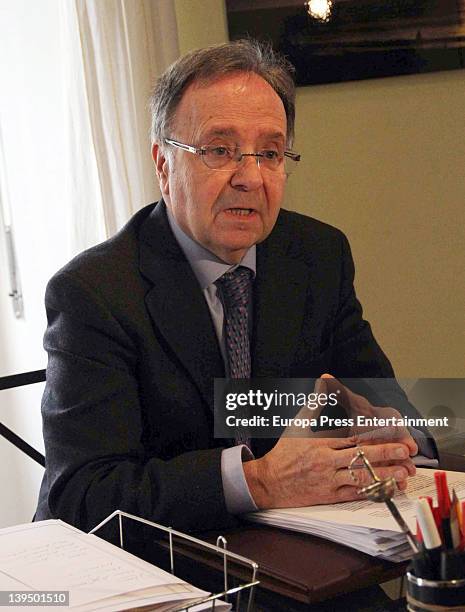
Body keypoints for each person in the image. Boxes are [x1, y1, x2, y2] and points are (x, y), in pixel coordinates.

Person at [35, 40, 430, 536]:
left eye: (269, 153)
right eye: (219, 150)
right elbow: (82, 496)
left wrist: (391, 428)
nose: (250, 178)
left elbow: (389, 405)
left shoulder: (316, 256)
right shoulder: (94, 292)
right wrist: (258, 480)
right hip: (159, 563)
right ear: (163, 165)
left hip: (297, 549)